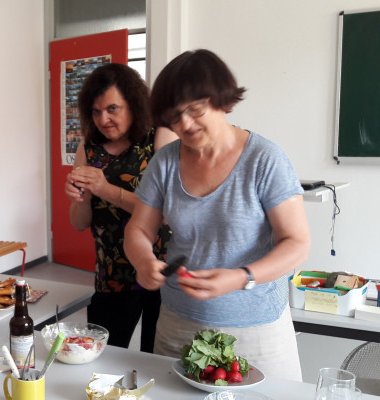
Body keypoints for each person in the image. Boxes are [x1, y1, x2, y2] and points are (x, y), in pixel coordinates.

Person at [124, 49, 310, 380]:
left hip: (258, 331)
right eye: (174, 116)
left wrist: (242, 277)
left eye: (195, 110)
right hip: (179, 324)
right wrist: (143, 261)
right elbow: (138, 229)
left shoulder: (265, 159)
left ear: (222, 99)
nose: (185, 124)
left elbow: (296, 243)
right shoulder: (165, 163)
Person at [65, 63, 177, 353]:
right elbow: (79, 223)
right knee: (103, 356)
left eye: (112, 109)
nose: (104, 119)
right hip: (111, 274)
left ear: (134, 104)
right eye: (96, 111)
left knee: (157, 358)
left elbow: (168, 212)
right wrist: (80, 197)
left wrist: (105, 189)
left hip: (160, 269)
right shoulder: (88, 148)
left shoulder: (160, 138)